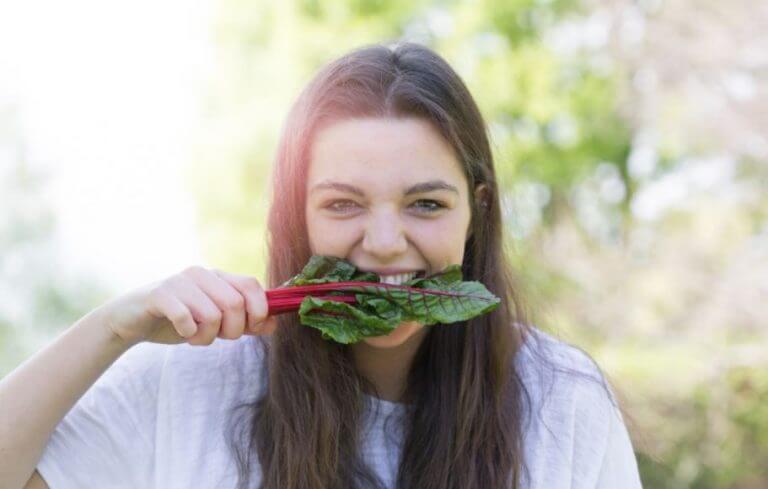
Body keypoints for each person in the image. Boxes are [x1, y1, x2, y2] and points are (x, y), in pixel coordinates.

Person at [0, 42, 643, 489]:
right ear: (295, 216)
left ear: (477, 210)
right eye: (342, 204)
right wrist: (116, 326)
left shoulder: (562, 400)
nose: (385, 242)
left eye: (425, 203)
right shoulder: (187, 382)